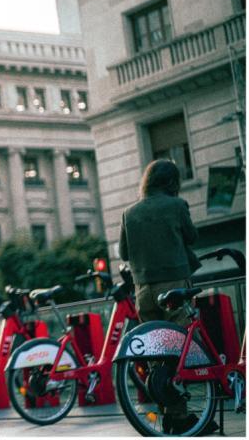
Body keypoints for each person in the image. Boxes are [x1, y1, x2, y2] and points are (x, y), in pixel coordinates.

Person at [119, 159, 207, 435]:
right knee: (180, 349)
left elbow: (123, 253)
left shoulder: (129, 212)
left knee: (158, 355)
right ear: (171, 182)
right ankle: (181, 417)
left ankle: (172, 416)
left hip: (143, 290)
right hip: (174, 285)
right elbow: (192, 237)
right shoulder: (176, 205)